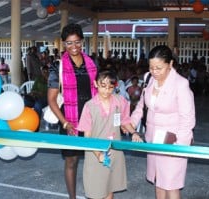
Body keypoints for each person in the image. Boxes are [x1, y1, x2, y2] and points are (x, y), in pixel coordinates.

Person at [130, 45, 195, 199]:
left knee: (171, 186)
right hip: (153, 140)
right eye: (151, 67)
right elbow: (142, 105)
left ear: (170, 64)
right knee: (159, 182)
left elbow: (188, 119)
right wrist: (131, 122)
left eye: (159, 68)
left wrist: (179, 148)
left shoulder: (180, 84)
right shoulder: (149, 79)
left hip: (173, 142)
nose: (154, 72)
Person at [47, 23, 98, 199]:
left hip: (91, 117)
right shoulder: (57, 66)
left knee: (94, 159)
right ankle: (72, 197)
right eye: (69, 43)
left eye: (77, 42)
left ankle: (95, 193)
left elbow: (99, 91)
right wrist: (65, 122)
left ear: (82, 41)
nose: (73, 47)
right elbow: (52, 100)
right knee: (72, 160)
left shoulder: (91, 63)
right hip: (68, 118)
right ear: (63, 44)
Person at [77, 70, 142, 199]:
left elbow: (125, 120)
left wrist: (134, 132)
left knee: (109, 188)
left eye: (110, 87)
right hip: (95, 154)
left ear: (115, 86)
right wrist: (98, 154)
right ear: (96, 84)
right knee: (95, 190)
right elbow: (87, 136)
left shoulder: (120, 101)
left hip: (114, 152)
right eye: (103, 86)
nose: (106, 91)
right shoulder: (89, 106)